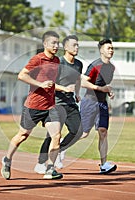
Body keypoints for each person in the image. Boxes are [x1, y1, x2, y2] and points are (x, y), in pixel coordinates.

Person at [1, 31, 71, 180]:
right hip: (33, 106)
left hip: (50, 106)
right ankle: (7, 159)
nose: (56, 46)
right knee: (22, 135)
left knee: (56, 135)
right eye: (53, 43)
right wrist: (40, 84)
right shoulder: (37, 59)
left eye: (58, 43)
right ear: (45, 44)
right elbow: (22, 75)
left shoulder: (57, 61)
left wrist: (63, 88)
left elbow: (50, 83)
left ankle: (50, 169)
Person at [34, 35, 83, 174]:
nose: (77, 48)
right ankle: (40, 163)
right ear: (66, 47)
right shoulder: (58, 63)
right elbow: (49, 84)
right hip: (56, 103)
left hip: (71, 102)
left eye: (78, 45)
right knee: (52, 135)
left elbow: (78, 79)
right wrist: (64, 88)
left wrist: (77, 93)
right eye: (74, 45)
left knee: (78, 131)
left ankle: (59, 150)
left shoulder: (79, 64)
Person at [80, 39, 117, 174]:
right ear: (101, 50)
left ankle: (104, 165)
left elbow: (106, 85)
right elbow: (83, 83)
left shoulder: (112, 68)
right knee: (83, 133)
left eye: (112, 48)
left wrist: (110, 92)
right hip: (89, 102)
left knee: (103, 132)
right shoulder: (95, 65)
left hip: (102, 103)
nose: (111, 50)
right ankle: (60, 147)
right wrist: (100, 89)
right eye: (109, 48)